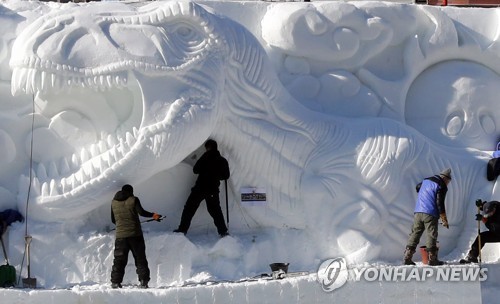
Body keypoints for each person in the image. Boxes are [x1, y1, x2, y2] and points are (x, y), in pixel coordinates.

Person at [173, 139, 230, 237]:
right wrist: (216, 175)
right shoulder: (222, 160)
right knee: (215, 211)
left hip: (200, 188)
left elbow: (195, 170)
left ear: (207, 148)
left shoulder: (205, 157)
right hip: (213, 190)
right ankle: (223, 232)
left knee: (189, 208)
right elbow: (226, 176)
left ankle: (182, 229)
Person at [110, 184, 162, 289]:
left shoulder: (113, 202)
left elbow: (113, 220)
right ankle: (143, 282)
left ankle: (116, 282)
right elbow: (141, 212)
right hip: (135, 235)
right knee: (140, 258)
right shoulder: (133, 199)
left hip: (121, 237)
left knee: (119, 260)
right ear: (131, 191)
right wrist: (154, 215)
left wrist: (122, 224)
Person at [403, 168, 451, 266]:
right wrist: (443, 217)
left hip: (418, 211)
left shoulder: (426, 180)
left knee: (415, 233)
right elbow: (439, 202)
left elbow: (417, 187)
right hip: (430, 212)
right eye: (448, 181)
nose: (448, 184)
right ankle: (432, 259)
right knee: (431, 234)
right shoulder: (441, 185)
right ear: (445, 178)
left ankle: (407, 257)